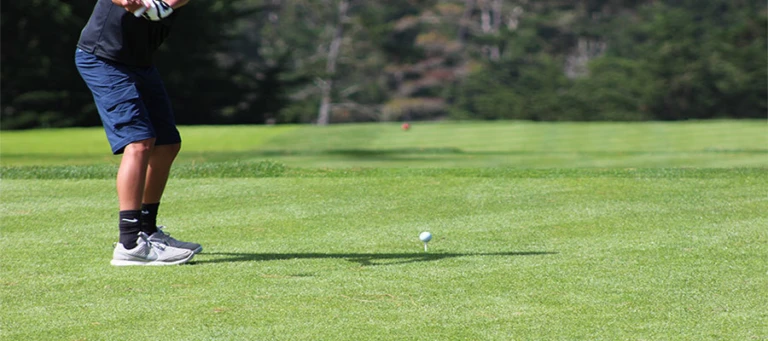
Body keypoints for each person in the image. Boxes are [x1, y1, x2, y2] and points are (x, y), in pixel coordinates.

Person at [75, 0, 201, 266]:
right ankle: (130, 243)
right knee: (140, 142)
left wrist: (155, 5)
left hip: (140, 62)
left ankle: (148, 230)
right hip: (104, 58)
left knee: (167, 144)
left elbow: (161, 8)